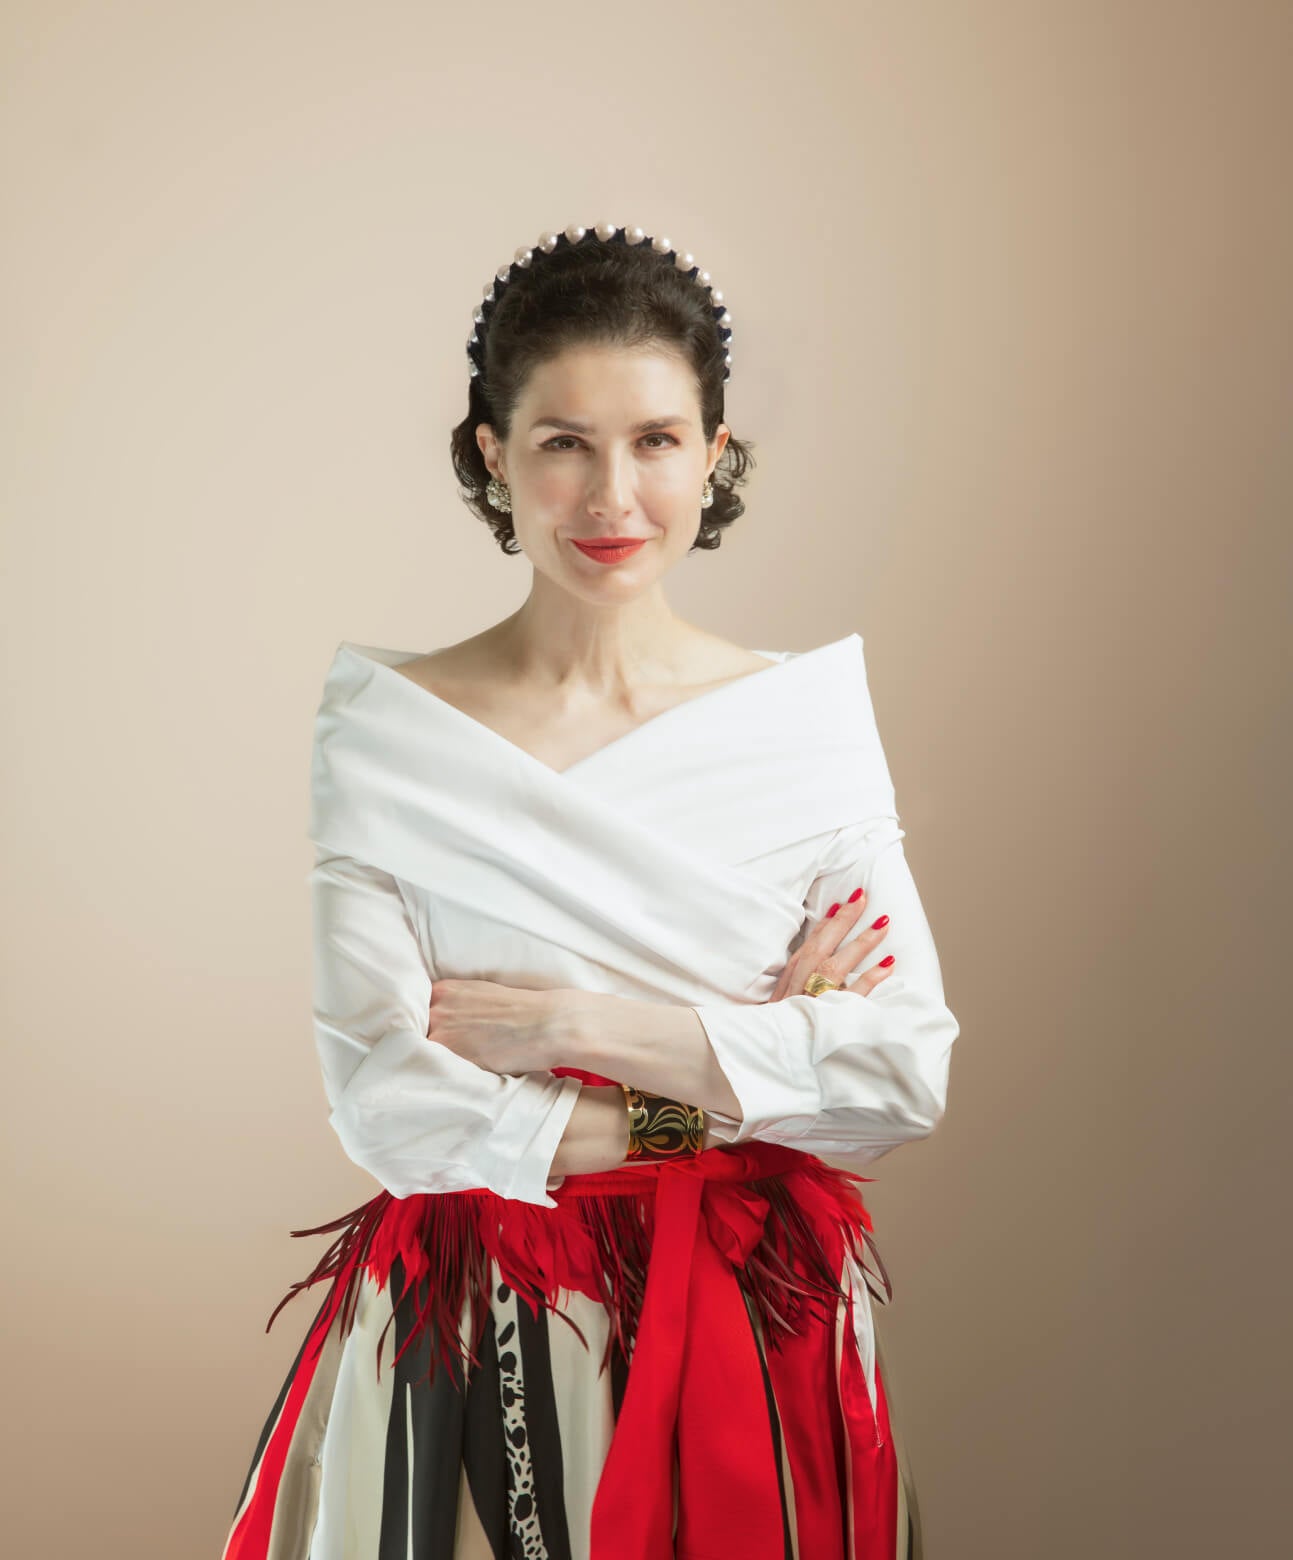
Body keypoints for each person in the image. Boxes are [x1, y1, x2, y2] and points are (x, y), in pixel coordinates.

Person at [220, 222, 959, 1560]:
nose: (612, 497)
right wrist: (742, 1077)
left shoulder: (804, 727)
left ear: (712, 454)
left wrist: (572, 1029)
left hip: (753, 1316)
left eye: (655, 441)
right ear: (493, 455)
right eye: (564, 442)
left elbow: (897, 1076)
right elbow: (387, 1106)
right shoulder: (390, 732)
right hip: (484, 1320)